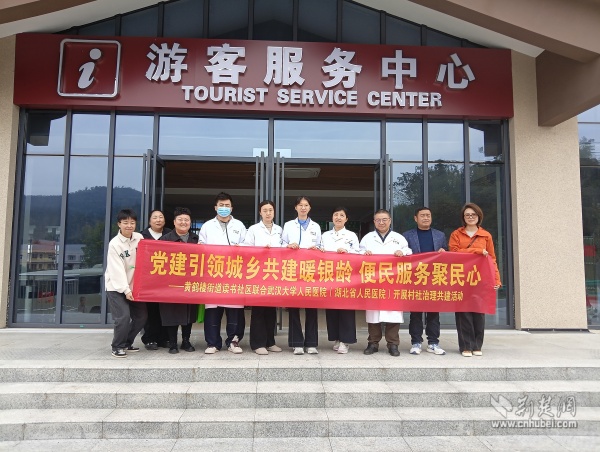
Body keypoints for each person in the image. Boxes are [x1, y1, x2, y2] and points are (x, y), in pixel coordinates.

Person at [449, 203, 501, 357]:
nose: (470, 217)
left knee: (479, 312)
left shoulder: (486, 235)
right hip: (461, 278)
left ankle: (477, 346)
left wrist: (496, 279)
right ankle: (465, 346)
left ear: (479, 216)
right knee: (463, 313)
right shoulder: (456, 234)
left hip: (480, 279)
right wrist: (477, 250)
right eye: (467, 215)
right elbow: (454, 253)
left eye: (473, 214)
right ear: (463, 217)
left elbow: (492, 259)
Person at [199, 192, 247, 354]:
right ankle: (213, 343)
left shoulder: (239, 225)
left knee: (234, 310)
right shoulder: (207, 226)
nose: (224, 208)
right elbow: (200, 246)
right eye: (221, 205)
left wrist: (240, 248)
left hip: (234, 273)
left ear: (232, 208)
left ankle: (233, 341)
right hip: (213, 273)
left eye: (227, 205)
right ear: (215, 207)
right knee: (213, 310)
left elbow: (248, 245)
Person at [359, 209, 412, 357]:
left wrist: (402, 253)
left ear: (390, 221)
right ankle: (373, 343)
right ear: (374, 222)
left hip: (392, 282)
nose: (381, 222)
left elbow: (409, 251)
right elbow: (357, 253)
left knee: (393, 312)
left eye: (384, 219)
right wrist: (364, 254)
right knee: (373, 313)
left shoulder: (398, 238)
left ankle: (393, 344)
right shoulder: (367, 238)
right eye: (378, 220)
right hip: (373, 281)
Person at [403, 207, 448, 356]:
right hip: (415, 279)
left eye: (428, 215)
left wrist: (444, 252)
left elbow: (448, 255)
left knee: (434, 313)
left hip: (434, 278)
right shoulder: (407, 235)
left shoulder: (440, 235)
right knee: (415, 313)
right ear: (415, 218)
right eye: (422, 215)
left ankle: (433, 342)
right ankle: (416, 342)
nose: (426, 218)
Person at [281, 196, 322, 355]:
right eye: (300, 205)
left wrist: (317, 249)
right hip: (293, 270)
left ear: (309, 208)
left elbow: (321, 246)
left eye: (306, 205)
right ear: (296, 208)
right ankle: (296, 343)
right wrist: (288, 245)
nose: (303, 208)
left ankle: (311, 343)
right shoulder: (288, 225)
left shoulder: (316, 226)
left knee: (311, 308)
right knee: (293, 307)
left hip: (311, 271)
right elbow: (281, 244)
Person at [105, 209, 148, 358]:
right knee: (123, 317)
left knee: (141, 317)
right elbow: (116, 270)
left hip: (134, 286)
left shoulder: (139, 238)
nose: (129, 225)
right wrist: (126, 290)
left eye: (132, 222)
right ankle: (117, 346)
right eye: (125, 222)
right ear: (119, 224)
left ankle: (127, 342)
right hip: (116, 287)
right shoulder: (114, 244)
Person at [242, 200, 283, 355]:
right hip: (257, 273)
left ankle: (270, 342)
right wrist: (260, 250)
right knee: (258, 309)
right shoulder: (253, 229)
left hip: (273, 273)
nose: (268, 213)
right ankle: (257, 343)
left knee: (271, 309)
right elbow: (247, 248)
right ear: (260, 212)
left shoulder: (279, 229)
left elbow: (283, 249)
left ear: (274, 212)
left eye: (270, 210)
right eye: (265, 210)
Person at [159, 207, 199, 354]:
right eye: (180, 220)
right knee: (171, 313)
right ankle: (173, 343)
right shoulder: (164, 240)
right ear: (174, 222)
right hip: (171, 283)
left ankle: (186, 341)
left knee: (188, 313)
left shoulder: (196, 240)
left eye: (186, 220)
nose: (183, 222)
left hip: (190, 282)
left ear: (190, 222)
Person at [321, 207, 359, 354]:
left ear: (346, 219)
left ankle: (345, 340)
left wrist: (347, 252)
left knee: (346, 309)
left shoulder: (351, 235)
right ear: (332, 218)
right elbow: (320, 252)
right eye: (336, 215)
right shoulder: (325, 235)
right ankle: (336, 338)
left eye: (342, 215)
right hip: (330, 276)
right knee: (332, 309)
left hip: (347, 277)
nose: (338, 217)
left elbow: (358, 253)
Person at [140, 209, 172, 351]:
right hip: (149, 280)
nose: (158, 220)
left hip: (166, 280)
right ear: (149, 221)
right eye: (155, 217)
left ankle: (164, 338)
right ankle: (150, 338)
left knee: (165, 310)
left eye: (161, 217)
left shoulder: (170, 234)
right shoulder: (141, 236)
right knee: (151, 311)